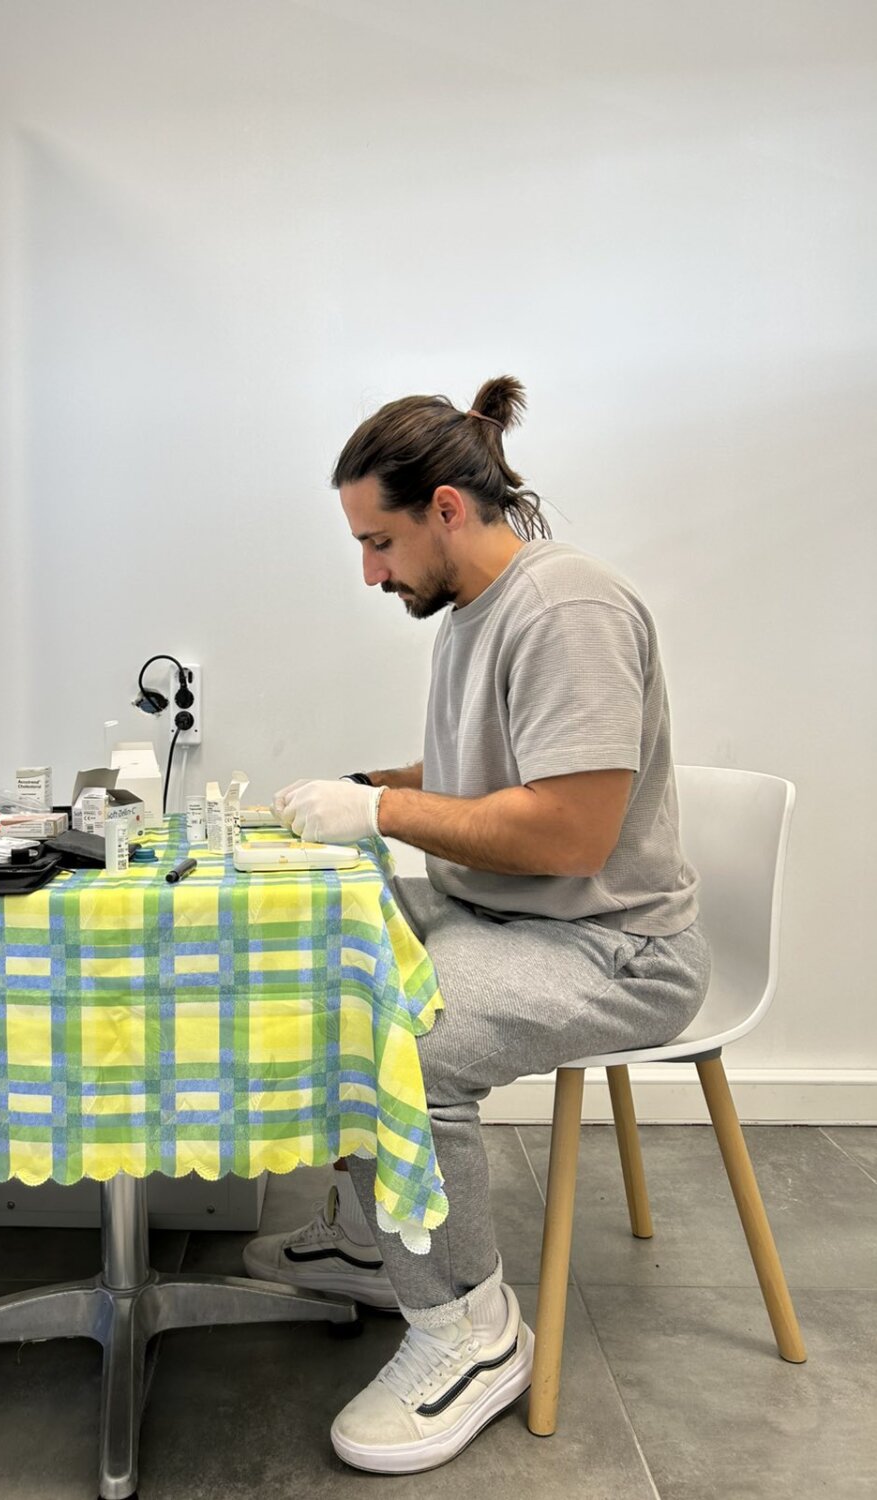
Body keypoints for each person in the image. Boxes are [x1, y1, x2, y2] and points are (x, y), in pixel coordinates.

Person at [241, 375, 711, 1475]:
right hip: (500, 914)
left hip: (615, 947)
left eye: (378, 542)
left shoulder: (565, 611)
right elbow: (488, 770)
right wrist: (364, 786)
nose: (370, 573)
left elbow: (570, 834)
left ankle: (470, 1331)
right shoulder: (470, 611)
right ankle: (382, 1237)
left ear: (446, 508)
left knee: (406, 1045)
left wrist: (381, 815)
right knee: (316, 957)